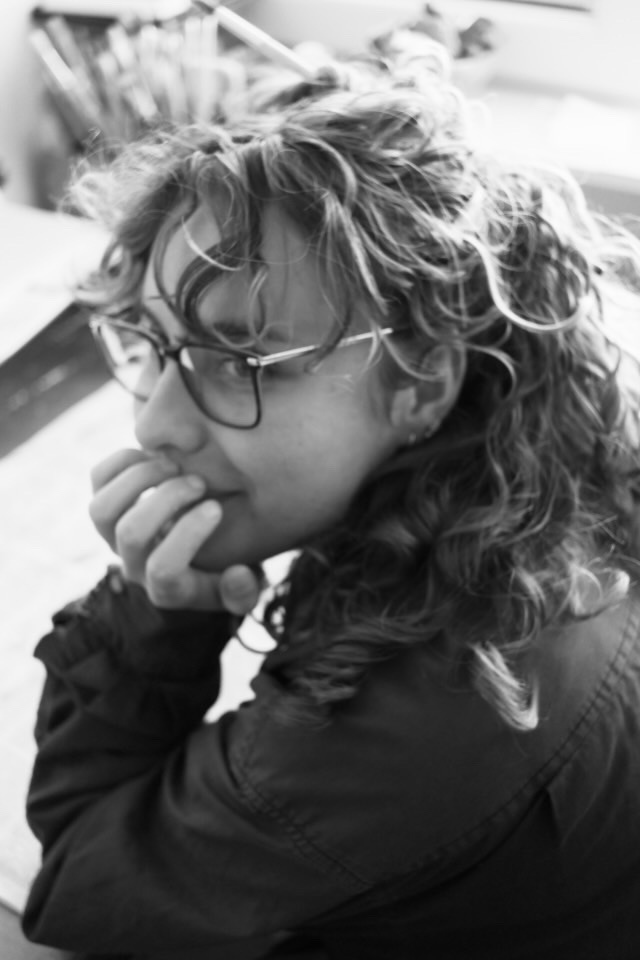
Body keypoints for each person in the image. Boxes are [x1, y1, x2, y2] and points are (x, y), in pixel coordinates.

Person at [21, 47, 640, 960]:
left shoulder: (425, 714)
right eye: (154, 343)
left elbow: (80, 882)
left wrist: (153, 617)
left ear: (421, 382)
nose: (155, 426)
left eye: (238, 361)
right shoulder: (545, 463)